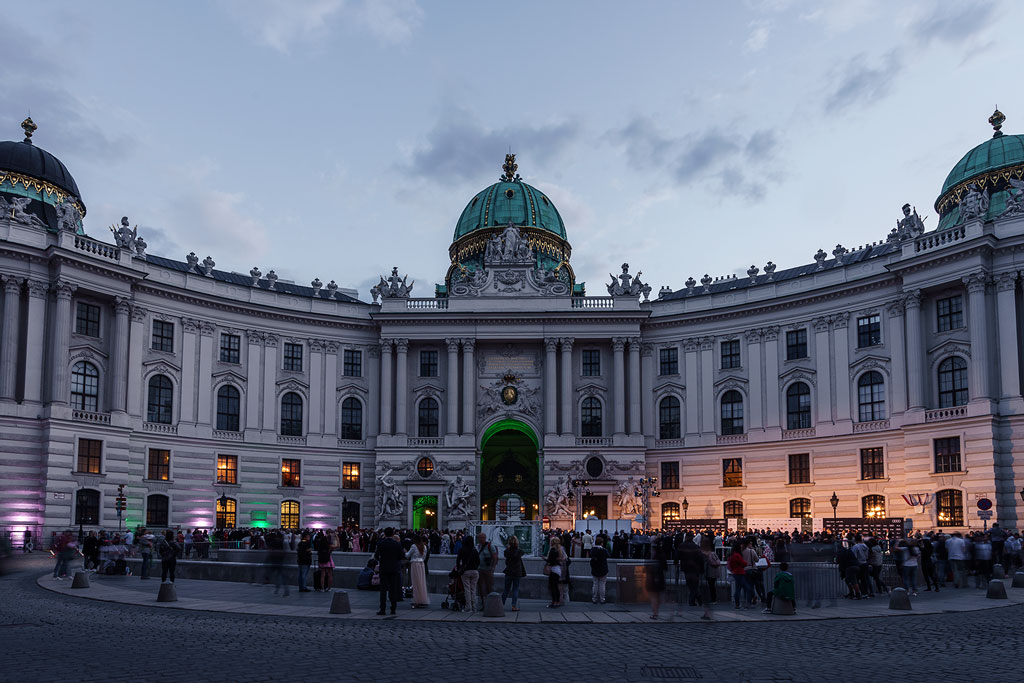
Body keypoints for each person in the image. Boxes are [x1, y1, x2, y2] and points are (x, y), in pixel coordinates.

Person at [677, 533, 711, 620]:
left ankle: (694, 600)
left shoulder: (682, 546)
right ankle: (696, 599)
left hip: (686, 568)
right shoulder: (696, 547)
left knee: (690, 584)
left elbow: (677, 556)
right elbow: (700, 559)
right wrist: (702, 569)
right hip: (695, 568)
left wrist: (676, 562)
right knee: (695, 584)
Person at [374, 527, 403, 615]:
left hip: (384, 568)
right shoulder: (397, 544)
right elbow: (400, 556)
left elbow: (376, 556)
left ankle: (382, 609)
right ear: (393, 534)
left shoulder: (381, 543)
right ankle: (393, 609)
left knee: (383, 590)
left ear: (385, 534)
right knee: (393, 589)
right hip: (394, 569)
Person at [456, 534, 481, 612]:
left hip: (466, 571)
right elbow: (478, 561)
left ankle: (468, 607)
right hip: (475, 571)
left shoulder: (462, 549)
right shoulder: (474, 550)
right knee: (473, 589)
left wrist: (459, 568)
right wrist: (475, 567)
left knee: (467, 589)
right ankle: (474, 607)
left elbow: (458, 560)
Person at [501, 535, 525, 611]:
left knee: (506, 589)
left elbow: (506, 555)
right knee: (515, 589)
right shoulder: (519, 551)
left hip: (509, 571)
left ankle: (501, 604)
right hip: (517, 572)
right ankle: (513, 606)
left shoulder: (507, 551)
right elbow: (522, 552)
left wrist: (508, 548)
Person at [405, 536, 430, 608]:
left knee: (415, 582)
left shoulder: (413, 546)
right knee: (421, 582)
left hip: (414, 564)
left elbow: (408, 555)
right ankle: (422, 599)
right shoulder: (424, 547)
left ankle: (417, 600)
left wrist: (405, 552)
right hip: (421, 564)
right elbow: (424, 557)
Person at [647, 535, 668, 619]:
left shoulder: (651, 554)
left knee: (653, 596)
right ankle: (656, 612)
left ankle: (655, 613)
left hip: (653, 577)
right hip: (660, 576)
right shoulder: (662, 553)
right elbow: (665, 567)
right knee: (657, 596)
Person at [476, 532, 497, 598]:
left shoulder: (490, 546)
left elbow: (495, 557)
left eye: (481, 538)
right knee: (480, 586)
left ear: (484, 538)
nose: (480, 539)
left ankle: (490, 601)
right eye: (479, 538)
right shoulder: (478, 546)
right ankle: (482, 600)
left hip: (488, 569)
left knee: (489, 586)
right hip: (479, 569)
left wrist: (492, 568)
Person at [589, 535, 609, 604]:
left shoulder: (592, 550)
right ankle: (602, 599)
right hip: (603, 569)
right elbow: (608, 555)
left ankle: (594, 598)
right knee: (602, 584)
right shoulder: (603, 550)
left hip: (595, 568)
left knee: (595, 584)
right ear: (602, 543)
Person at [545, 536, 564, 607]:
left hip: (553, 569)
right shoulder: (559, 549)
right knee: (556, 586)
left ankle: (554, 601)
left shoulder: (552, 550)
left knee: (552, 586)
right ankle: (557, 601)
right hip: (557, 569)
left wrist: (547, 561)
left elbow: (550, 560)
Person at [701, 536, 720, 605]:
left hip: (708, 571)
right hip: (713, 571)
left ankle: (710, 599)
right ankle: (713, 599)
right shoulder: (712, 553)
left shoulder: (704, 553)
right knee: (712, 586)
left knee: (710, 586)